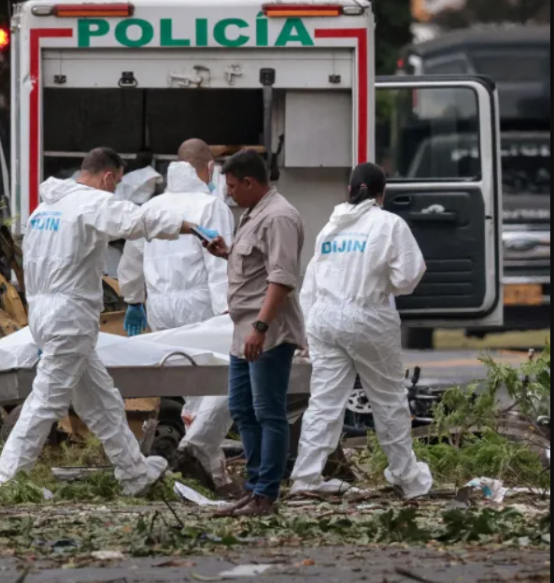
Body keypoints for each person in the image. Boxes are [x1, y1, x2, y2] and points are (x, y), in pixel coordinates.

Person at [0, 147, 198, 496]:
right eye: (116, 183)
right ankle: (7, 480)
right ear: (107, 177)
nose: (114, 190)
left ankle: (133, 472)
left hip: (45, 312)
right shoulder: (90, 202)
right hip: (69, 316)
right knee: (46, 400)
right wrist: (189, 226)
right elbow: (136, 221)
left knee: (103, 401)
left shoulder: (46, 208)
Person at [291, 163, 433, 500]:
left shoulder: (331, 228)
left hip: (324, 319)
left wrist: (308, 331)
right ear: (381, 193)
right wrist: (383, 281)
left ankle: (305, 477)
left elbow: (310, 282)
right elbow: (409, 276)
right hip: (367, 317)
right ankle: (407, 478)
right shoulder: (388, 224)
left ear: (350, 191)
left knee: (325, 402)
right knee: (388, 400)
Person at [118, 138, 238, 495]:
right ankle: (199, 457)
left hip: (160, 305)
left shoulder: (153, 204)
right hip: (199, 302)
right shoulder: (211, 206)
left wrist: (133, 299)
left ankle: (207, 466)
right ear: (208, 168)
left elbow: (133, 253)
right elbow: (217, 261)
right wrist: (227, 308)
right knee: (214, 379)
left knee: (187, 384)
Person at [204, 150, 307, 517]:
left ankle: (267, 494)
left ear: (250, 182)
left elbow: (282, 278)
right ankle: (253, 488)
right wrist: (226, 253)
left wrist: (260, 328)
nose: (229, 194)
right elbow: (257, 264)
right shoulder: (253, 212)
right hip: (243, 330)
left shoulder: (279, 216)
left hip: (267, 331)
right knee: (242, 410)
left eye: (232, 187)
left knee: (268, 412)